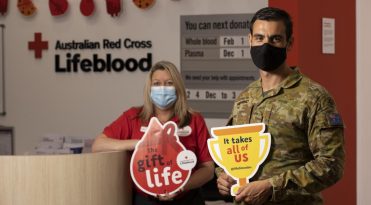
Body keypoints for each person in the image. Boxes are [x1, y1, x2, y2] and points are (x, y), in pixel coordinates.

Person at [216, 7, 345, 205]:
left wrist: (272, 186)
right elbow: (231, 151)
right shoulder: (245, 97)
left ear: (289, 43)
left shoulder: (313, 97)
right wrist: (224, 176)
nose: (265, 46)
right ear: (249, 40)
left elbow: (331, 164)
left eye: (275, 39)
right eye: (259, 38)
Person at [92, 61, 215, 205]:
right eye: (157, 83)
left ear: (178, 88)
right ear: (149, 88)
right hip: (145, 200)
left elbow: (208, 169)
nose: (162, 89)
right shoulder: (133, 117)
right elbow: (98, 145)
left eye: (169, 83)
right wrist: (140, 144)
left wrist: (181, 186)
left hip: (187, 199)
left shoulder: (194, 120)